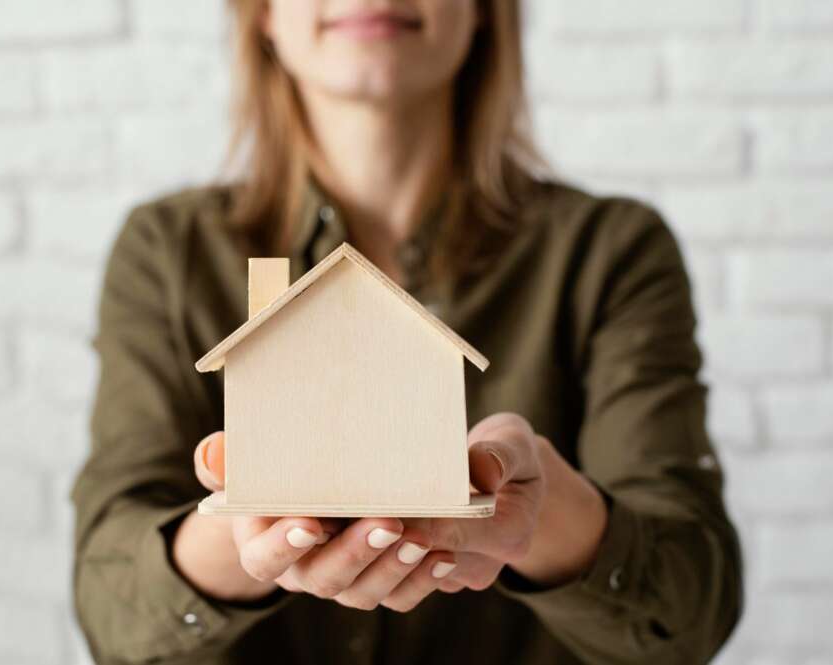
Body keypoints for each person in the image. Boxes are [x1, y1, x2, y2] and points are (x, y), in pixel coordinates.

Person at [71, 1, 743, 663]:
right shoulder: (166, 251)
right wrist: (247, 525)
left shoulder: (611, 251)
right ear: (265, 14)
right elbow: (110, 607)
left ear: (482, 10)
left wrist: (544, 517)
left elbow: (690, 613)